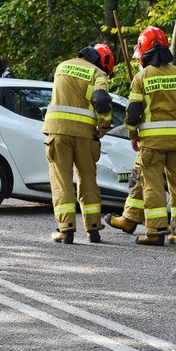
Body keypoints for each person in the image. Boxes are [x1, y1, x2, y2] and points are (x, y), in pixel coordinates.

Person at [123, 26, 176, 246]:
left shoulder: (141, 77)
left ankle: (155, 232)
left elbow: (133, 112)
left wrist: (132, 134)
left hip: (152, 144)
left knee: (153, 185)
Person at [42, 43, 115, 244]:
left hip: (57, 131)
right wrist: (104, 125)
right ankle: (93, 229)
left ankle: (65, 229)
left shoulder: (62, 66)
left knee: (62, 180)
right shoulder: (98, 73)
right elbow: (101, 99)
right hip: (85, 135)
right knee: (88, 179)